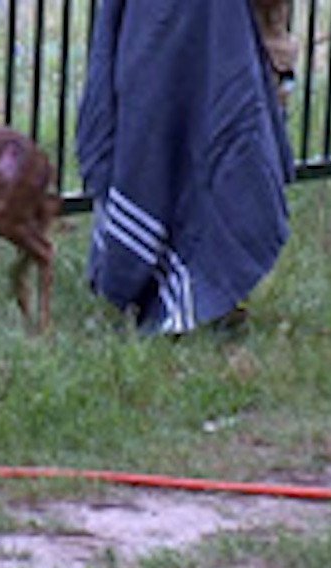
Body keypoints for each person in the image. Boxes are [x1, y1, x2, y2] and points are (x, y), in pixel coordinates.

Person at [76, 0, 294, 334]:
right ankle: (172, 287)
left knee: (214, 130)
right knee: (151, 132)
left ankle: (213, 292)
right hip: (175, 22)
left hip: (218, 26)